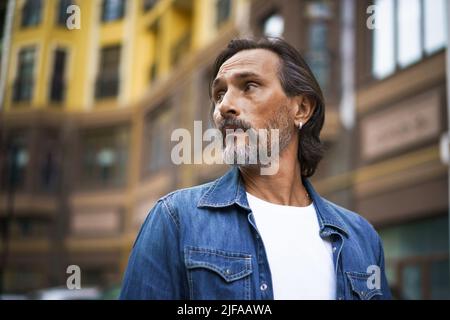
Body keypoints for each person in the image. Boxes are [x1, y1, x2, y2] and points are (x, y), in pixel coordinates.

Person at [119, 38, 392, 300]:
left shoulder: (361, 237)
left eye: (249, 86)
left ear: (301, 109)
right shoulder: (175, 219)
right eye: (219, 93)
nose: (223, 107)